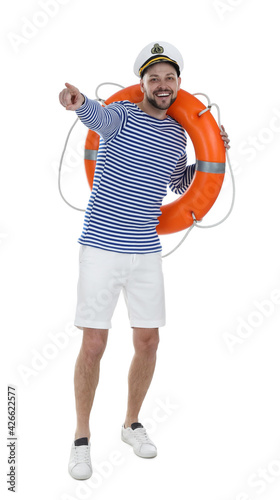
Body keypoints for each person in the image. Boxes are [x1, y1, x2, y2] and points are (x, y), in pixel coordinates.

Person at [59, 41, 230, 481]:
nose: (162, 85)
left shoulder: (177, 137)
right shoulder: (120, 117)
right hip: (100, 247)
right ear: (142, 83)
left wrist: (214, 158)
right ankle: (81, 440)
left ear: (178, 85)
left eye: (169, 78)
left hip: (145, 251)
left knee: (148, 341)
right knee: (94, 345)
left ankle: (131, 424)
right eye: (154, 78)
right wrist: (78, 102)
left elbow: (177, 184)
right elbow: (96, 114)